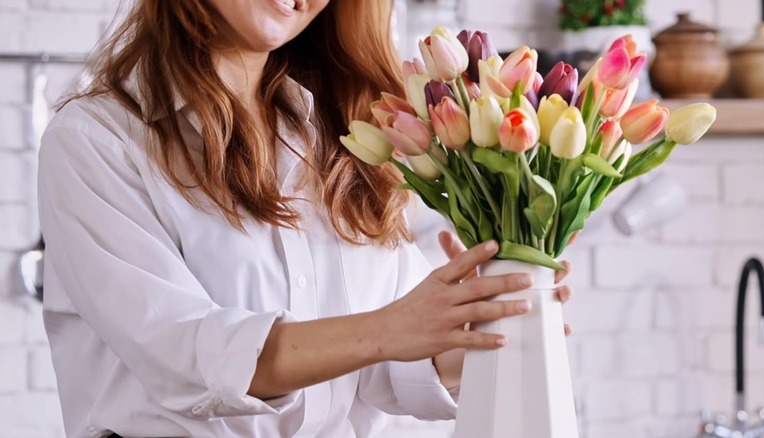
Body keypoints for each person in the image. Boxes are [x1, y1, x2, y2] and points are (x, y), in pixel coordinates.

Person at [38, 1, 574, 437]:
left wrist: (479, 329)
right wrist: (390, 330)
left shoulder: (338, 136)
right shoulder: (97, 140)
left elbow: (380, 366)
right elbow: (184, 354)